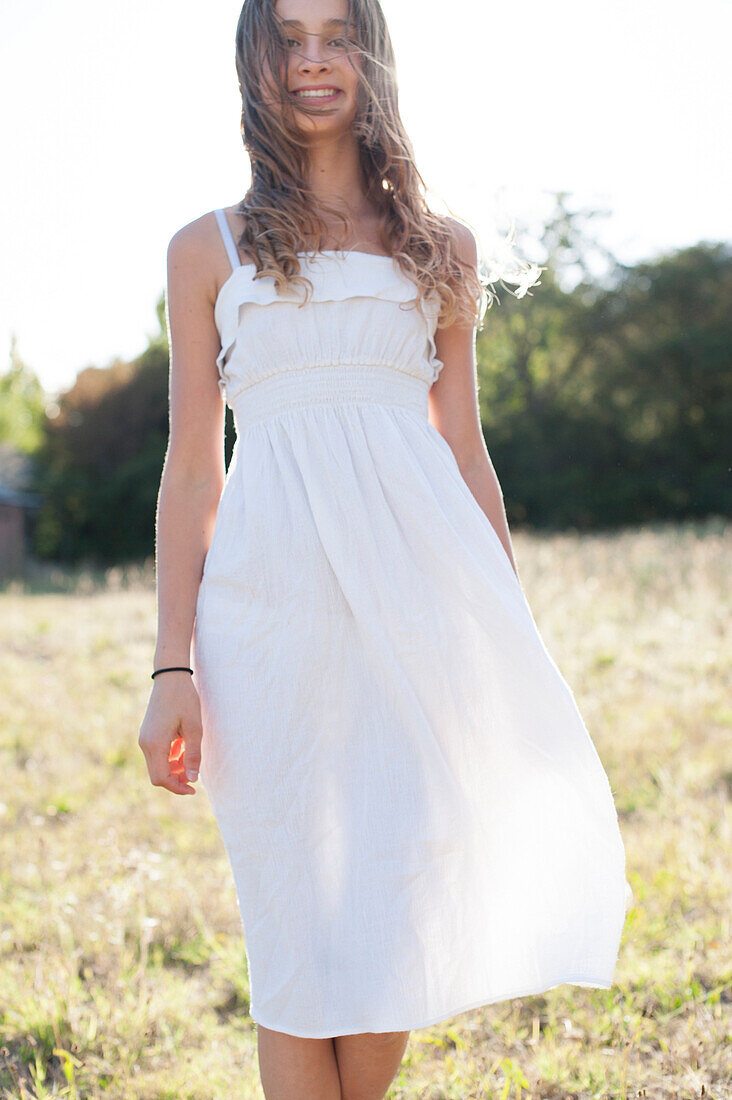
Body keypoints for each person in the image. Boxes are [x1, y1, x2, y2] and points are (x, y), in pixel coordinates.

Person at [138, 1, 631, 1097]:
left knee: (395, 905)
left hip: (418, 607)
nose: (313, 60)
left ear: (372, 55)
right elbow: (189, 470)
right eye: (288, 37)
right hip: (267, 621)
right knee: (294, 923)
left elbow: (465, 453)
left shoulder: (441, 247)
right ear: (255, 62)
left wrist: (510, 637)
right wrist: (173, 664)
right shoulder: (205, 250)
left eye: (334, 34)